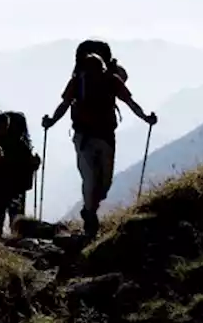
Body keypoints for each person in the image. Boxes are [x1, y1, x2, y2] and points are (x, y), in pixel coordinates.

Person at [41, 51, 157, 239]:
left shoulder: (87, 81)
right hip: (92, 137)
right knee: (93, 179)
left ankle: (90, 209)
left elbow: (64, 105)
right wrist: (146, 117)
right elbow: (130, 102)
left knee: (101, 182)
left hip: (92, 137)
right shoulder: (101, 81)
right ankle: (90, 216)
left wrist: (51, 121)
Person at [0, 111, 40, 238]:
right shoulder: (21, 145)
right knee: (14, 219)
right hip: (14, 187)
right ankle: (15, 241)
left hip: (2, 186)